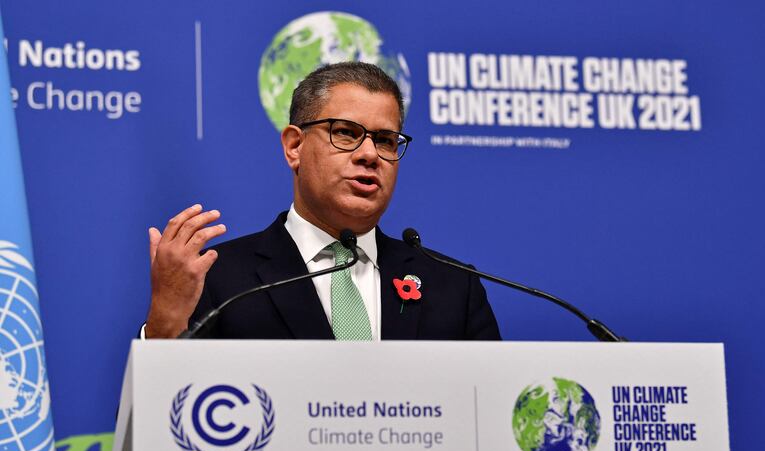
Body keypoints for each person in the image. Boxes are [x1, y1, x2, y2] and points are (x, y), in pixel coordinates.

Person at [143, 62, 499, 340]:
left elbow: (489, 416)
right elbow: (154, 426)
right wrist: (166, 322)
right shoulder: (219, 279)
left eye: (386, 140)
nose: (370, 155)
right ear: (294, 146)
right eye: (346, 133)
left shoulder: (453, 286)